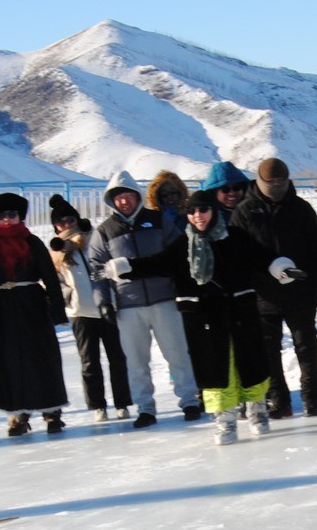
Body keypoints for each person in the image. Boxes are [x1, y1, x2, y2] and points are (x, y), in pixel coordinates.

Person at [86, 170, 202, 427]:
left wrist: (182, 291)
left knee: (178, 354)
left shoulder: (158, 220)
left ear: (137, 196)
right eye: (118, 198)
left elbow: (177, 254)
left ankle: (189, 400)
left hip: (164, 299)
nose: (124, 201)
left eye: (128, 195)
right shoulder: (104, 231)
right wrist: (103, 302)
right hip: (128, 305)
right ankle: (145, 408)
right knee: (136, 361)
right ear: (111, 201)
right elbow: (96, 270)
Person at [173, 188, 274, 445]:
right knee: (216, 368)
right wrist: (127, 267)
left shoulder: (236, 237)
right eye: (192, 211)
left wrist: (279, 265)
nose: (198, 216)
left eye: (203, 209)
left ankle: (257, 410)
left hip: (240, 311)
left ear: (213, 211)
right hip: (206, 318)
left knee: (250, 361)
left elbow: (260, 256)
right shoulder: (182, 245)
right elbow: (157, 263)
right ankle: (225, 419)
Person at [233, 158, 317, 419]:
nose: (276, 186)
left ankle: (311, 399)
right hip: (263, 295)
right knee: (268, 351)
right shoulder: (244, 211)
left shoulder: (301, 209)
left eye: (281, 182)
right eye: (271, 182)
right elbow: (237, 254)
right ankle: (280, 401)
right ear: (260, 182)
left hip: (300, 292)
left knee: (306, 346)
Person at [0, 193, 68, 437]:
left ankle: (52, 413)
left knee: (41, 357)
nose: (7, 220)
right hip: (2, 309)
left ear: (20, 217)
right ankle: (17, 415)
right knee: (9, 362)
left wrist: (57, 308)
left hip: (32, 305)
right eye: (2, 216)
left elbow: (50, 276)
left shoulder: (32, 242)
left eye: (12, 215)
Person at [46, 194, 132, 422]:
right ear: (56, 226)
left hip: (107, 306)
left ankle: (122, 402)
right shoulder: (56, 252)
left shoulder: (94, 238)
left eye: (70, 220)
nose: (67, 225)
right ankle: (97, 405)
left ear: (77, 219)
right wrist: (69, 298)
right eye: (61, 222)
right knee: (89, 362)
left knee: (118, 358)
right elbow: (52, 282)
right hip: (81, 313)